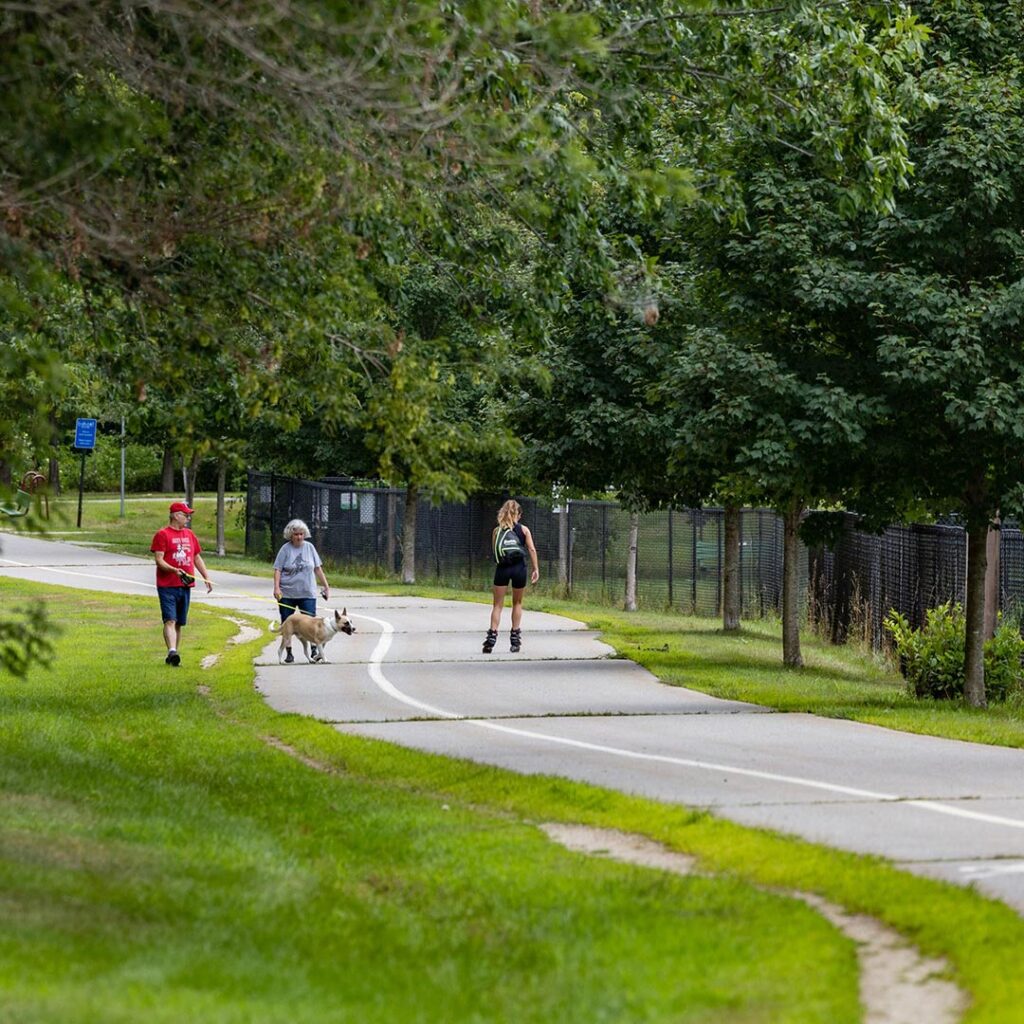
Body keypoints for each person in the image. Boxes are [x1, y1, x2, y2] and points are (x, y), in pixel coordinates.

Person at [151, 500, 213, 666]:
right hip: (167, 585)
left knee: (179, 622)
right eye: (186, 515)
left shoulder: (189, 535)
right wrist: (173, 570)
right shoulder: (162, 535)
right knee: (170, 620)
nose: (188, 518)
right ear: (176, 515)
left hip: (185, 585)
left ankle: (173, 656)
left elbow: (196, 557)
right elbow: (159, 559)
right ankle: (172, 651)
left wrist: (206, 576)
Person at [483, 499, 539, 654]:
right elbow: (532, 549)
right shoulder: (524, 530)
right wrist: (535, 568)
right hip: (519, 568)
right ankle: (515, 639)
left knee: (497, 605)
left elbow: (495, 552)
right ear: (518, 514)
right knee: (517, 603)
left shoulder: (497, 531)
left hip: (502, 569)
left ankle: (492, 637)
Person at [273, 518, 331, 663]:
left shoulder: (309, 547)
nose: (299, 537)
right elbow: (278, 569)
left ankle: (313, 650)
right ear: (290, 535)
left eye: (301, 534)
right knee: (287, 623)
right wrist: (276, 587)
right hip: (287, 593)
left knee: (311, 623)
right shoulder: (285, 549)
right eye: (296, 534)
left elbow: (317, 568)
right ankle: (289, 652)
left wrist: (326, 586)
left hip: (307, 593)